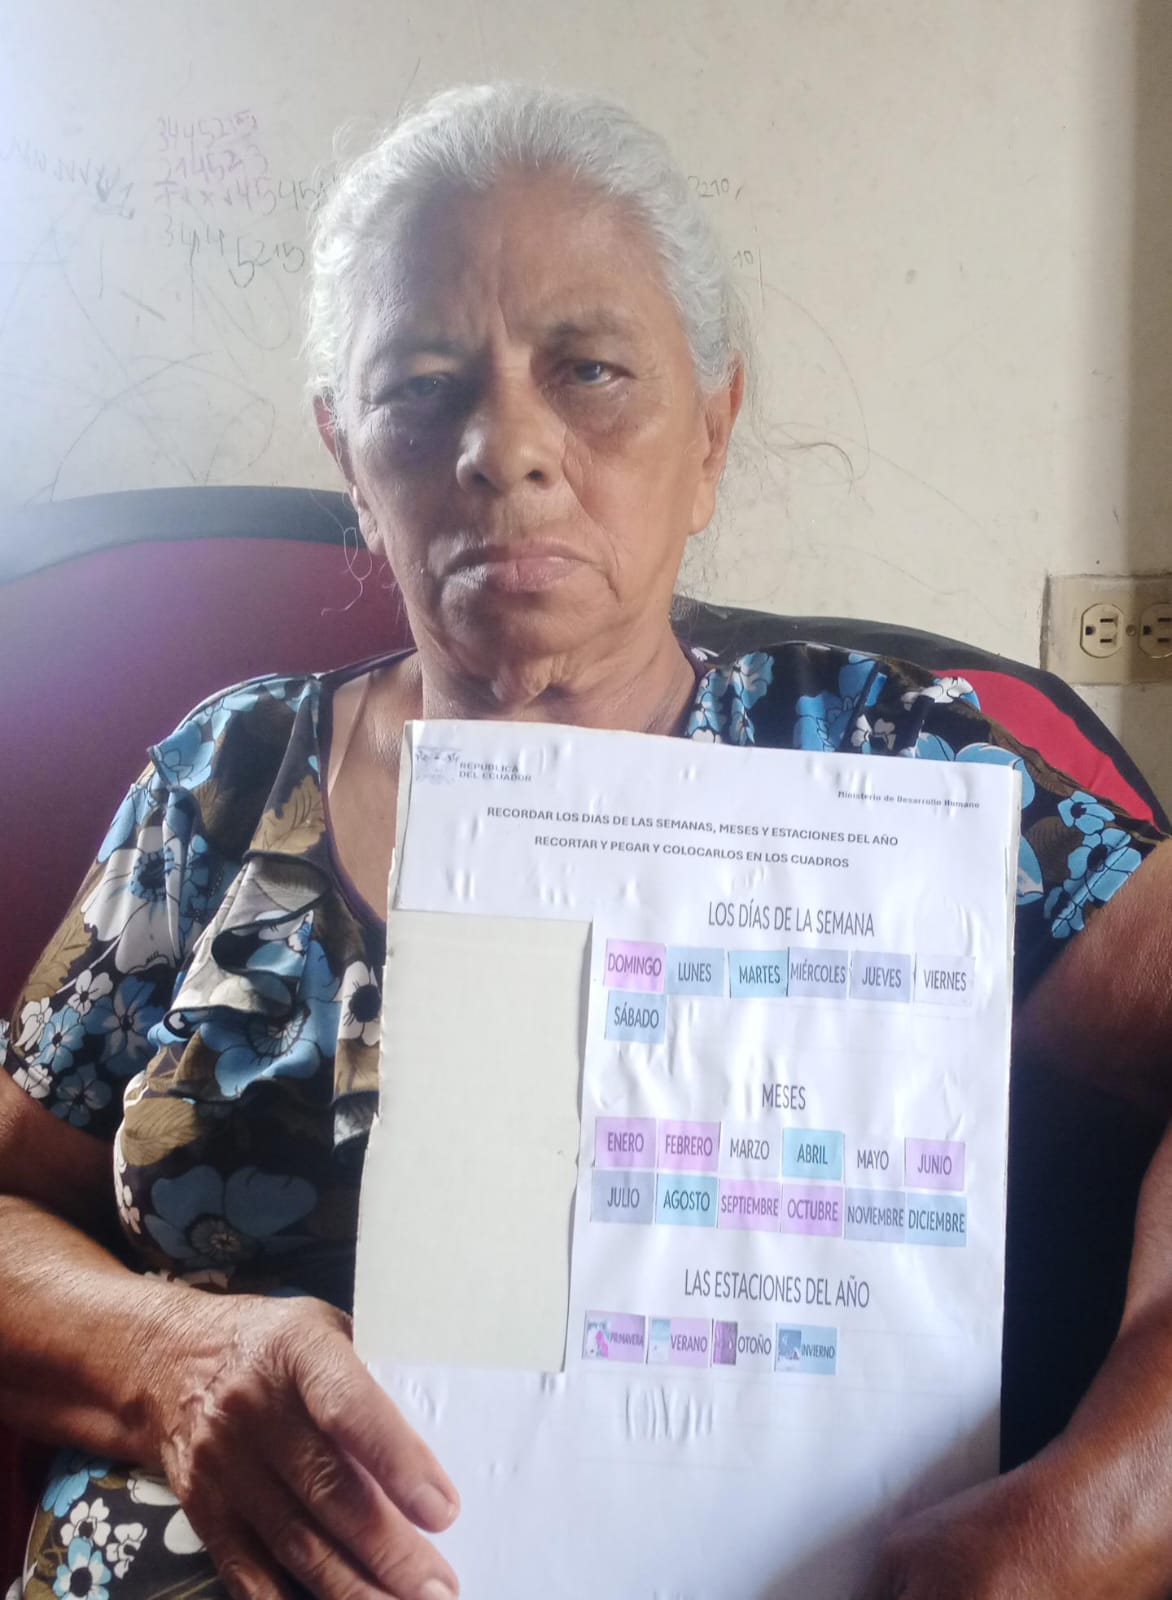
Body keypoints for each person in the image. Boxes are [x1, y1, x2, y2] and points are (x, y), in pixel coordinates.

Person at [1, 82, 1170, 1600]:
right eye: (421, 389)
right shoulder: (225, 780)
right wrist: (168, 1360)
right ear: (350, 458)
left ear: (714, 430)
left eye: (591, 370)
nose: (505, 447)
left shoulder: (894, 772)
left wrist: (1110, 1504)